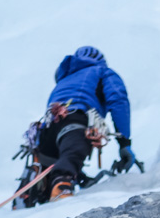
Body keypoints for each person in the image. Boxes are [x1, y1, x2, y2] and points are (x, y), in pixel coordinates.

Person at [38, 45, 139, 200]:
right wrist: (124, 142)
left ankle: (31, 195)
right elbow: (118, 100)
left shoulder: (63, 81)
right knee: (70, 157)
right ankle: (62, 186)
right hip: (77, 120)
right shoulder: (102, 72)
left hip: (46, 131)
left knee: (45, 175)